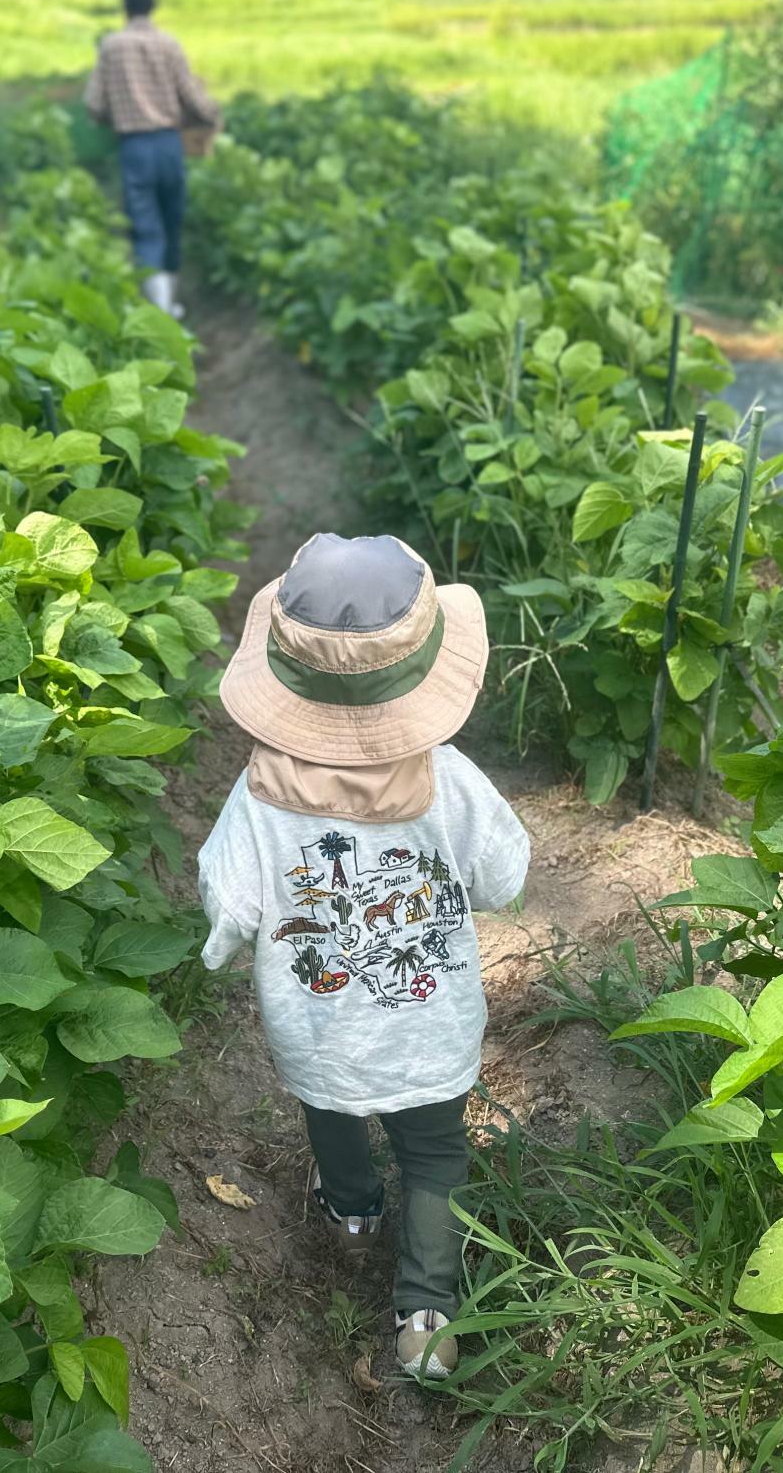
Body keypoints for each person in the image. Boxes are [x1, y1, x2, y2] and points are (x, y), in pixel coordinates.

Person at [197, 534, 532, 1380]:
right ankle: (427, 1315)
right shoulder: (448, 779)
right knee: (434, 1155)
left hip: (318, 1030)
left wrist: (240, 933)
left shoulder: (259, 793)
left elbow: (227, 908)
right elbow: (505, 873)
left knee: (333, 1114)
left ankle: (350, 1213)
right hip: (430, 1028)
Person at [82, 0, 222, 320]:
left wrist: (115, 111)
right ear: (153, 4)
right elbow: (192, 97)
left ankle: (159, 313)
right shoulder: (168, 45)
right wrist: (211, 115)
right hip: (169, 144)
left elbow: (94, 104)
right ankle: (170, 305)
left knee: (145, 226)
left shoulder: (111, 47)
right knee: (172, 219)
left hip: (133, 146)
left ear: (124, 5)